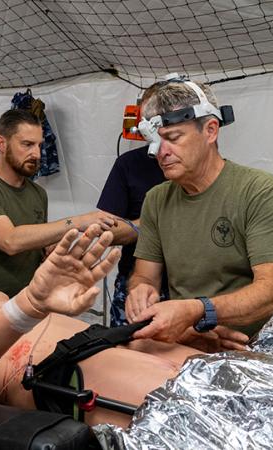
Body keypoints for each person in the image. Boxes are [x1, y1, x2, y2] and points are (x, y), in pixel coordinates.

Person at [0, 225, 248, 428]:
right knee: (224, 412)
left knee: (252, 376)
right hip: (51, 372)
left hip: (103, 341)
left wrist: (170, 328)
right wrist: (27, 305)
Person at [125, 77, 273, 344]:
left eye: (173, 138)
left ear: (211, 130)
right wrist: (140, 290)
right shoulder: (156, 200)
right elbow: (145, 275)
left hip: (252, 346)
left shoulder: (258, 191)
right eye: (156, 142)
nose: (161, 152)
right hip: (189, 342)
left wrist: (199, 312)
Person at [0, 109, 117, 297]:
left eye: (39, 145)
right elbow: (10, 241)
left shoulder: (38, 193)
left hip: (25, 301)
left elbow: (37, 246)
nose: (37, 154)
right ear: (2, 143)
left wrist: (60, 249)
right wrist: (78, 221)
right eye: (27, 144)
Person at [97, 82, 167, 327]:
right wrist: (156, 222)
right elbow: (107, 229)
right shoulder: (128, 165)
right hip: (135, 283)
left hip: (189, 288)